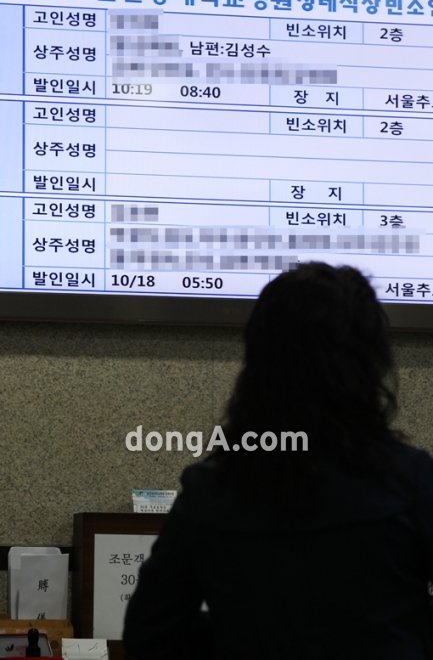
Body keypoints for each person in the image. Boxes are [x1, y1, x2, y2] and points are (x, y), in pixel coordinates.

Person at [123, 262, 433, 659]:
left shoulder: (210, 492)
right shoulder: (409, 483)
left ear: (257, 362)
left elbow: (150, 634)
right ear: (369, 364)